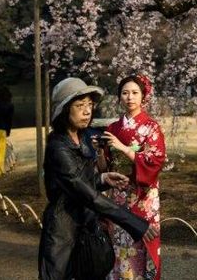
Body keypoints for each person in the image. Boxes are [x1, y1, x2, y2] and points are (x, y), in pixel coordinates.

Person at [38, 77, 156, 280]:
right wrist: (134, 223)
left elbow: (81, 182)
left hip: (87, 226)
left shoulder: (81, 137)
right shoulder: (58, 146)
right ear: (64, 109)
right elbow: (85, 194)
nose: (86, 111)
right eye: (79, 105)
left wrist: (102, 179)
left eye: (89, 105)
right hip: (63, 229)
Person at [99, 74, 166, 280]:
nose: (130, 97)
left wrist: (123, 148)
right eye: (125, 93)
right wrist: (100, 151)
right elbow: (104, 168)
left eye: (135, 93)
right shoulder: (113, 128)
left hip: (143, 197)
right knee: (119, 247)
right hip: (118, 197)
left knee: (141, 245)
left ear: (143, 96)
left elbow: (155, 162)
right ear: (119, 97)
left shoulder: (152, 127)